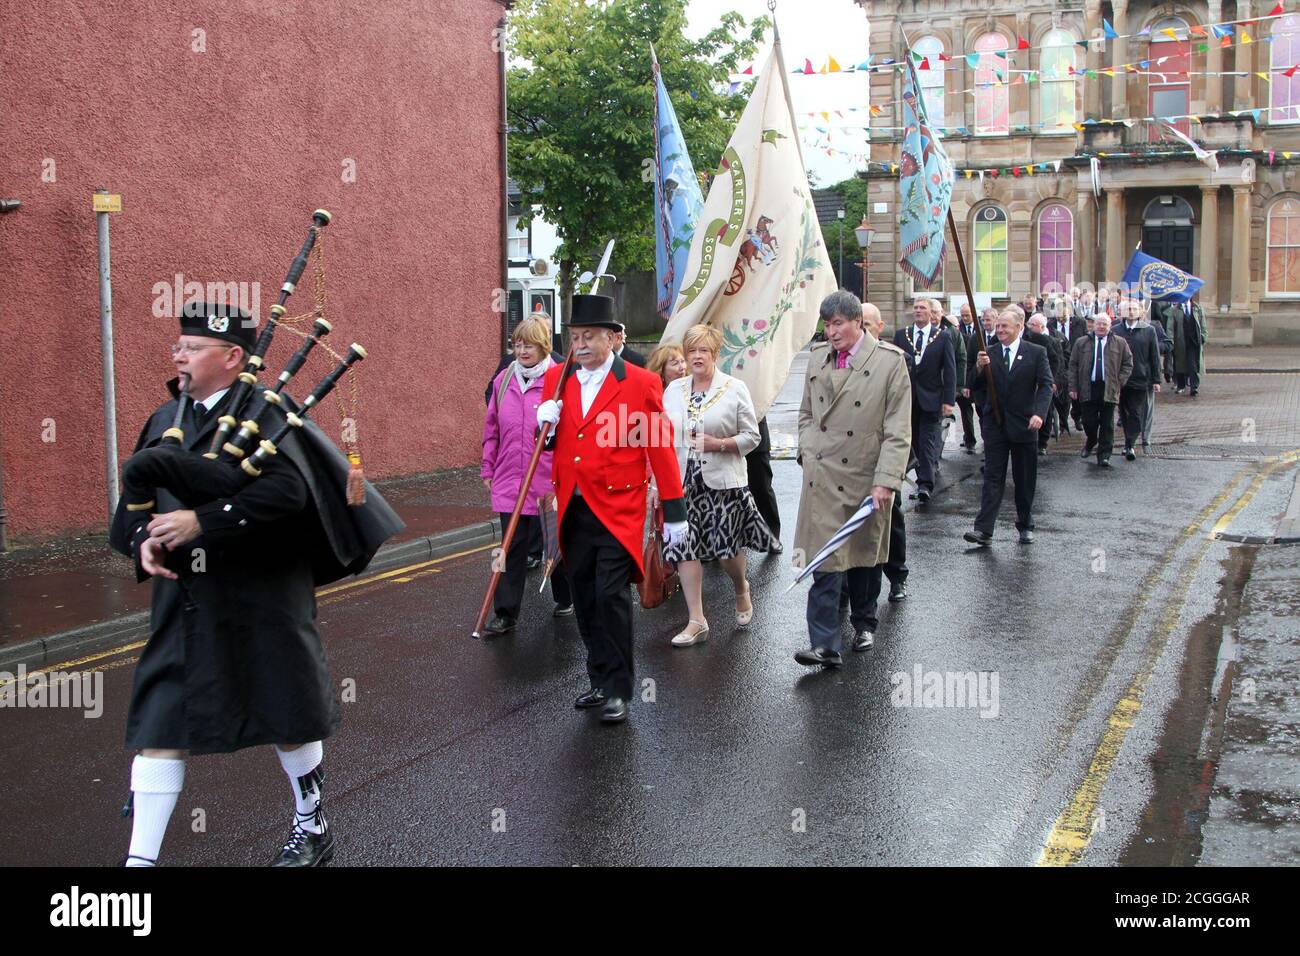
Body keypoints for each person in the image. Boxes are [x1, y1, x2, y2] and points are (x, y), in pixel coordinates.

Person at [108, 302, 346, 867]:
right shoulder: (168, 413)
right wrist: (142, 536)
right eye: (179, 346)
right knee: (162, 721)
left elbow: (289, 494)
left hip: (260, 596)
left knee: (286, 713)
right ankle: (140, 866)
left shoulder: (270, 413)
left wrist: (203, 522)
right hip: (185, 603)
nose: (178, 355)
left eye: (192, 347)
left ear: (233, 356)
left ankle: (312, 826)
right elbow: (136, 502)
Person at [536, 294, 686, 724]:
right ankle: (598, 678)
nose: (579, 344)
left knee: (610, 595)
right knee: (584, 595)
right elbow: (549, 448)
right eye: (575, 336)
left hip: (618, 507)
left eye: (589, 336)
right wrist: (543, 427)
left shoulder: (640, 382)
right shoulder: (557, 380)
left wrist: (674, 511)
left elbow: (658, 446)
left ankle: (620, 688)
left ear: (611, 338)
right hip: (573, 506)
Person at [794, 291, 911, 666]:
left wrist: (886, 480)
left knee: (863, 557)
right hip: (823, 474)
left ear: (857, 322)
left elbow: (898, 430)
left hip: (866, 474)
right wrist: (807, 451)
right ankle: (825, 644)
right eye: (827, 325)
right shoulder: (817, 358)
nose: (831, 332)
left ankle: (864, 622)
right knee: (825, 559)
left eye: (838, 324)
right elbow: (807, 414)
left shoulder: (890, 363)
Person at [660, 325, 773, 646]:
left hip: (723, 483)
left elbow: (753, 437)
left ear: (715, 354)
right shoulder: (673, 390)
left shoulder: (734, 388)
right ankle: (697, 620)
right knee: (685, 550)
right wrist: (656, 484)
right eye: (691, 350)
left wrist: (719, 443)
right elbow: (663, 439)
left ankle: (741, 587)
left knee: (726, 552)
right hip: (681, 484)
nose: (696, 357)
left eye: (703, 351)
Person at [480, 316, 574, 634]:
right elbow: (491, 427)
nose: (522, 350)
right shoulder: (503, 380)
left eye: (529, 345)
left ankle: (566, 597)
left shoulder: (561, 380)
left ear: (544, 346)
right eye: (518, 344)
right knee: (510, 547)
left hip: (549, 478)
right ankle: (505, 613)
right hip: (510, 476)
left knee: (554, 543)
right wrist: (487, 466)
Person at [963, 307, 1053, 546]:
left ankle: (1025, 525)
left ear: (1019, 327)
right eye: (998, 326)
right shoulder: (989, 353)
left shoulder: (1036, 352)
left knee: (1024, 479)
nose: (1000, 330)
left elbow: (1045, 385)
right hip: (996, 424)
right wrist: (980, 368)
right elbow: (972, 384)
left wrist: (1039, 414)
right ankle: (984, 530)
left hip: (1025, 425)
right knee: (993, 477)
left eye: (1005, 326)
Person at [894, 298, 956, 502]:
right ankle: (908, 478)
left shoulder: (943, 337)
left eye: (923, 308)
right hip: (907, 398)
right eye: (916, 308)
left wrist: (949, 400)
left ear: (932, 313)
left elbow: (950, 370)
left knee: (928, 441)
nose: (918, 311)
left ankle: (925, 484)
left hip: (932, 398)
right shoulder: (901, 335)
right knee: (912, 441)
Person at [1068, 312, 1133, 467]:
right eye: (1099, 323)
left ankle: (1104, 455)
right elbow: (1073, 365)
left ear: (1110, 326)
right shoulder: (1081, 342)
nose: (1101, 326)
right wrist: (1073, 387)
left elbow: (1127, 363)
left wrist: (1119, 382)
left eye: (1105, 324)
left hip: (1109, 387)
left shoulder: (1120, 342)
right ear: (1093, 325)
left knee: (1107, 424)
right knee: (1089, 422)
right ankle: (1091, 441)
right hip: (1087, 387)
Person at [1112, 298, 1162, 459]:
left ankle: (1130, 444)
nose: (1131, 311)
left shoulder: (1149, 330)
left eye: (1134, 308)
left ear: (1141, 312)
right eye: (1128, 309)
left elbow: (1154, 355)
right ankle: (1129, 441)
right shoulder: (1116, 330)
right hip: (1120, 379)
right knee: (1123, 412)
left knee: (1136, 412)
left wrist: (1156, 379)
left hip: (1140, 378)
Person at [1024, 313, 1064, 456]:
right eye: (1028, 324)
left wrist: (1052, 380)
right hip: (1030, 382)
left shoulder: (1049, 340)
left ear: (1041, 327)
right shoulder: (1026, 338)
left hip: (1045, 382)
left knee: (1045, 411)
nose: (1029, 327)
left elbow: (1057, 361)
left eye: (1032, 325)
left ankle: (1042, 443)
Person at [931, 299, 966, 450]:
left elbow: (961, 358)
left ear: (941, 313)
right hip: (929, 385)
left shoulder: (952, 333)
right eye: (930, 311)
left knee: (945, 418)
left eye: (935, 312)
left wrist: (959, 386)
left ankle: (940, 450)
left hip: (946, 384)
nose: (932, 315)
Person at [1164, 295, 1207, 395]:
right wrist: (1170, 341)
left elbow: (1203, 324)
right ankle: (1181, 385)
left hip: (1194, 342)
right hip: (1180, 341)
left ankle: (1194, 387)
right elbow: (1170, 328)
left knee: (1193, 365)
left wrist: (1203, 336)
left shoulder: (1197, 308)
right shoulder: (1174, 310)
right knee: (1180, 364)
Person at [954, 303, 981, 453]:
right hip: (961, 379)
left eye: (967, 315)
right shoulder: (959, 329)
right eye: (962, 315)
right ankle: (969, 438)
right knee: (964, 409)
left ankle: (980, 438)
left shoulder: (979, 329)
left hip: (973, 376)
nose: (964, 318)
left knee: (978, 408)